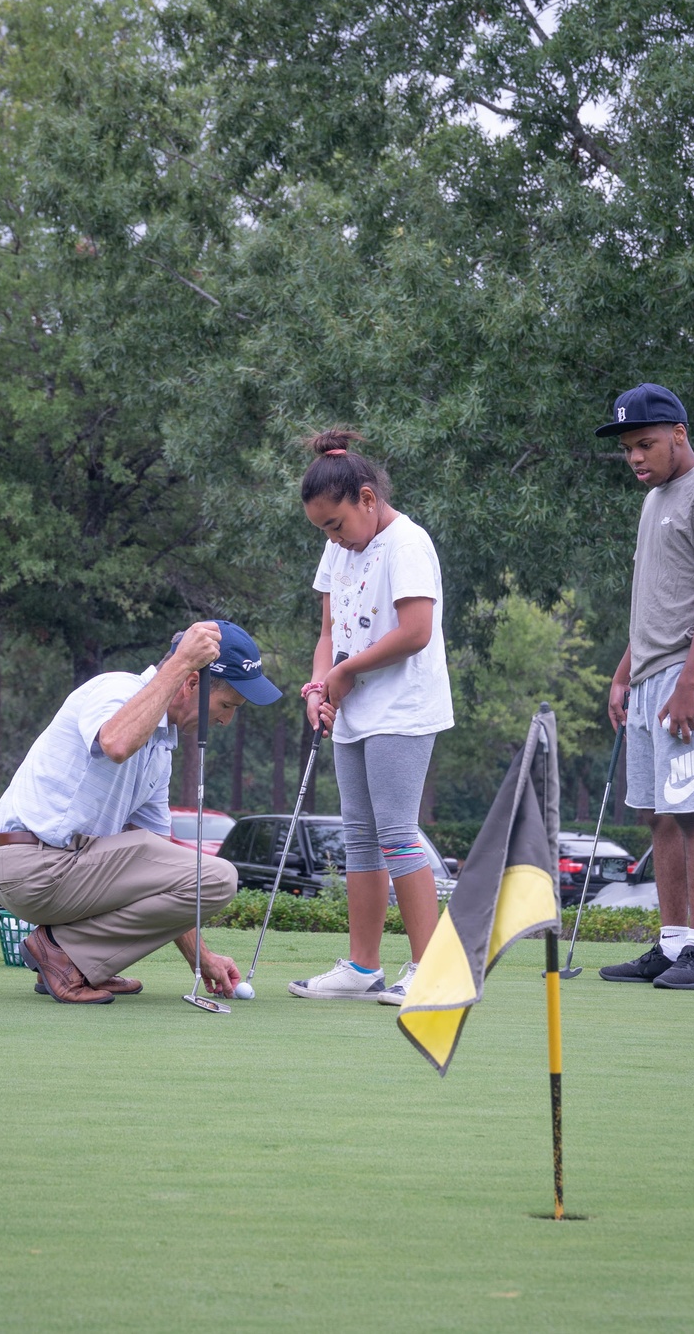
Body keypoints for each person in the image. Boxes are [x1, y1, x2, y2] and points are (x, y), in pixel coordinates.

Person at [0, 620, 281, 1004]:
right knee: (220, 877)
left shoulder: (160, 750)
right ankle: (62, 954)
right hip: (32, 866)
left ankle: (76, 961)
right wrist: (180, 664)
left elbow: (164, 875)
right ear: (191, 684)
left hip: (55, 869)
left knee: (199, 875)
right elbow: (116, 742)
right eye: (226, 705)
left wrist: (201, 959)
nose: (225, 720)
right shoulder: (117, 688)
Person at [288, 429, 454, 1004]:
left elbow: (415, 632)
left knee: (397, 836)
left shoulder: (407, 544)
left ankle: (432, 972)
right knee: (358, 837)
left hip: (403, 708)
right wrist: (319, 685)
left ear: (365, 498)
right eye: (322, 531)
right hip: (356, 709)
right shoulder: (340, 546)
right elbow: (329, 631)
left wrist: (344, 674)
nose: (332, 538)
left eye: (335, 525)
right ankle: (362, 966)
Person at [594, 383, 694, 990]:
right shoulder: (654, 500)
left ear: (679, 433)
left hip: (693, 677)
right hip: (652, 676)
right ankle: (672, 942)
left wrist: (689, 681)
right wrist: (625, 672)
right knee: (657, 813)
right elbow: (659, 601)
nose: (636, 458)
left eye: (645, 444)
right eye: (628, 448)